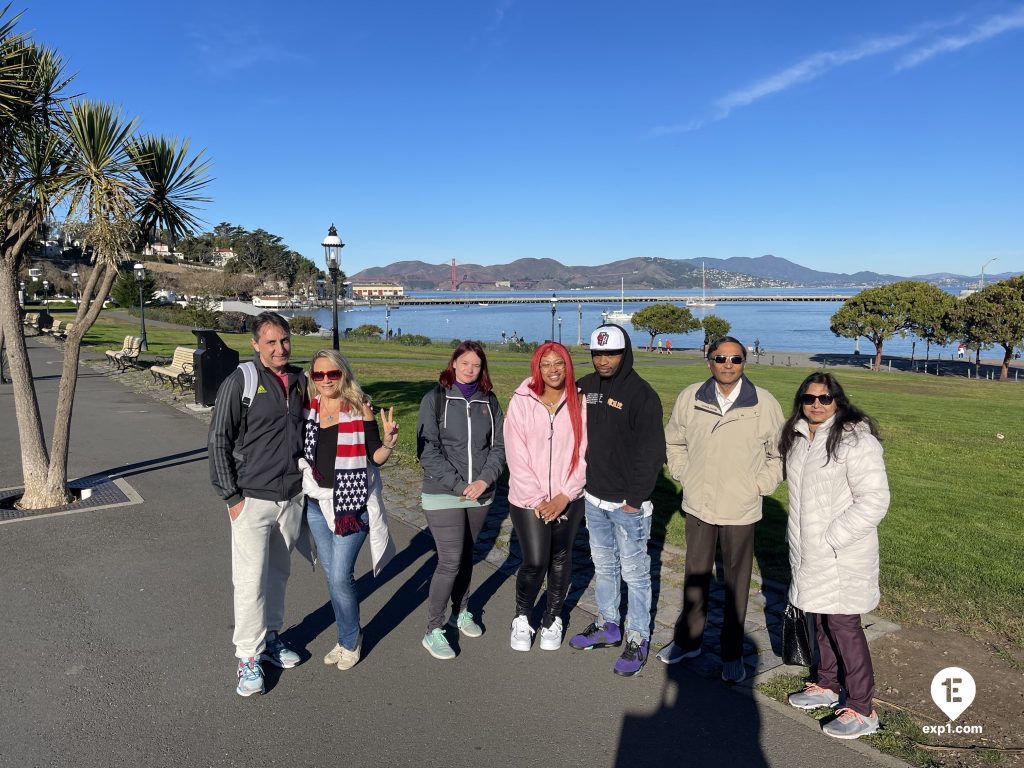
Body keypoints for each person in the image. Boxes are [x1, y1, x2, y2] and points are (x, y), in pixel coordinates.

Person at [660, 336, 784, 683]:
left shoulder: (764, 403)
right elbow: (674, 440)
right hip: (698, 504)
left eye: (735, 359)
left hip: (741, 508)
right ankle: (689, 641)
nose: (727, 365)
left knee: (736, 582)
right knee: (695, 576)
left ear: (745, 362)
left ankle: (732, 652)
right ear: (708, 360)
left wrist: (759, 486)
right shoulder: (691, 398)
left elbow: (780, 454)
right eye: (720, 358)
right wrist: (684, 473)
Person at [780, 373, 889, 739]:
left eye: (824, 399)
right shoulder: (797, 436)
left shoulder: (855, 440)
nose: (816, 405)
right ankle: (827, 682)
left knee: (843, 624)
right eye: (809, 398)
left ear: (837, 401)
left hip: (841, 553)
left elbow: (874, 500)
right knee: (820, 615)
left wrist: (832, 538)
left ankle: (862, 707)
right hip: (808, 549)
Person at [208, 312, 306, 697]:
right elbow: (219, 438)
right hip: (252, 498)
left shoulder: (300, 381)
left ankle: (273, 637)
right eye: (271, 343)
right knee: (249, 582)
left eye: (284, 341)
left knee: (279, 575)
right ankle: (248, 656)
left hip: (291, 497)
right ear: (255, 345)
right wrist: (231, 496)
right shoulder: (242, 381)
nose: (280, 348)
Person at [569, 324, 665, 676]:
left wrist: (635, 499)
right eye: (597, 353)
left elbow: (652, 451)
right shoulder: (585, 386)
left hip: (628, 505)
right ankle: (609, 624)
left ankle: (638, 637)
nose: (603, 360)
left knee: (636, 575)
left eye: (610, 353)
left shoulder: (642, 394)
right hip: (594, 497)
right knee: (604, 567)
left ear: (625, 354)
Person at [299, 350, 399, 671]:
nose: (326, 380)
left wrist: (389, 442)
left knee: (341, 577)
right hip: (317, 504)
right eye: (319, 375)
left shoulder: (359, 408)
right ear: (312, 378)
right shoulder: (309, 410)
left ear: (343, 374)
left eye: (333, 374)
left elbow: (375, 456)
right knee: (332, 577)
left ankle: (350, 640)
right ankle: (345, 636)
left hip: (351, 507)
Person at [416, 340, 506, 660]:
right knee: (450, 560)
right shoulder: (435, 399)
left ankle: (461, 611)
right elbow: (427, 450)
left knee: (467, 556)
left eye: (476, 365)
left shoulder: (489, 401)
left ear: (483, 369)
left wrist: (484, 480)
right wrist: (458, 485)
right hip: (443, 493)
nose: (470, 369)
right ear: (453, 363)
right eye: (464, 363)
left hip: (480, 494)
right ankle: (433, 629)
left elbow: (499, 447)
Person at [505, 342, 588, 652]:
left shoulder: (579, 400)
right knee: (536, 559)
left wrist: (565, 495)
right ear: (536, 368)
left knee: (561, 557)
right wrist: (540, 498)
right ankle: (522, 617)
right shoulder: (522, 400)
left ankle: (552, 617)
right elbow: (516, 453)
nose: (553, 369)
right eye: (546, 364)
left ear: (567, 366)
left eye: (559, 363)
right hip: (528, 499)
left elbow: (583, 453)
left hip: (568, 497)